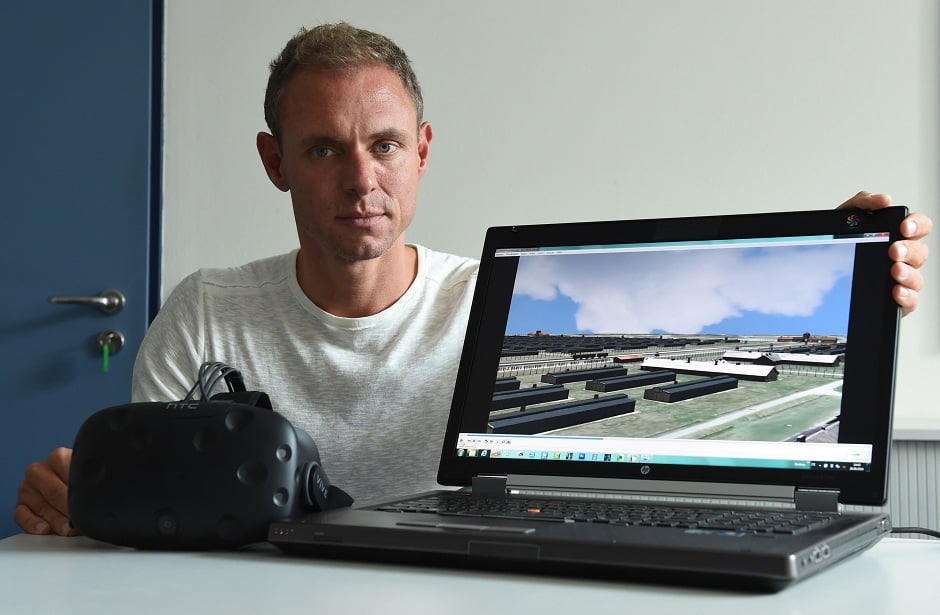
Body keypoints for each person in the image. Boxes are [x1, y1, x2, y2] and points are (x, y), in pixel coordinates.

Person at [14, 22, 933, 537]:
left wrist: (858, 273)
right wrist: (83, 502)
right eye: (323, 149)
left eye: (382, 146)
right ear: (274, 162)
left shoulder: (484, 303)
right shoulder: (207, 315)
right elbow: (146, 529)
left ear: (421, 152)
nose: (360, 180)